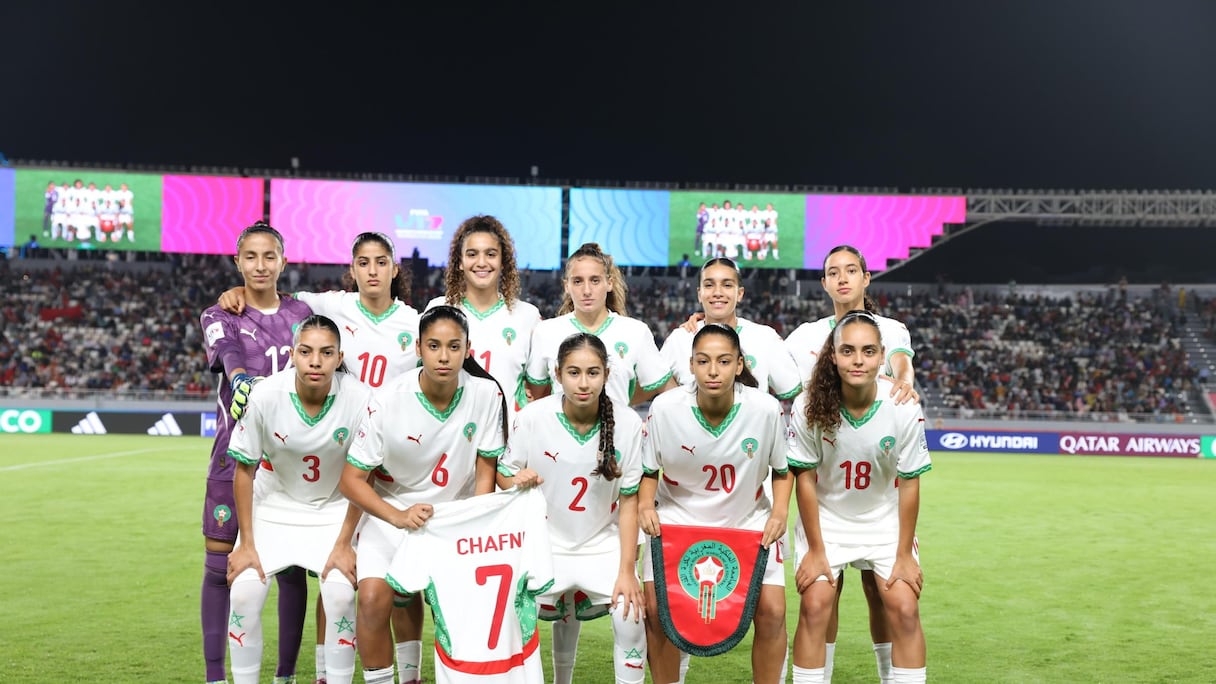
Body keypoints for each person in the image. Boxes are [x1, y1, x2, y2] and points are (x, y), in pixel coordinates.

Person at [339, 305, 507, 684]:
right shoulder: (388, 399)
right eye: (433, 346)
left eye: (453, 346)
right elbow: (351, 480)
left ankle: (420, 676)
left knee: (460, 611)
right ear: (418, 348)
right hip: (392, 516)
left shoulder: (486, 394)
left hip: (455, 519)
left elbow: (486, 472)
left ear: (468, 349)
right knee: (372, 600)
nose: (443, 356)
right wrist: (398, 517)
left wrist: (474, 526)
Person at [783, 244, 918, 682]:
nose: (842, 278)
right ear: (823, 282)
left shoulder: (890, 330)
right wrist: (707, 325)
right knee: (823, 595)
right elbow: (764, 369)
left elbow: (902, 366)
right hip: (827, 482)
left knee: (884, 595)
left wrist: (903, 385)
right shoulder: (804, 337)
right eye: (833, 272)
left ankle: (890, 675)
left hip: (876, 483)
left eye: (851, 270)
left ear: (866, 277)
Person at [638, 324, 792, 684]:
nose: (713, 371)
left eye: (723, 361)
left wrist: (781, 511)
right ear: (691, 365)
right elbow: (648, 471)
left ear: (739, 365)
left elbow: (783, 472)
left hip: (747, 521)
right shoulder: (665, 408)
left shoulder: (765, 410)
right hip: (677, 521)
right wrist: (645, 505)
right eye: (703, 361)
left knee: (773, 612)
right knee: (656, 611)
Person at [225, 315, 373, 684]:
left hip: (335, 510)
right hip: (273, 505)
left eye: (326, 353)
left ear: (339, 358)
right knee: (243, 594)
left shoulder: (360, 399)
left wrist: (345, 543)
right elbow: (244, 470)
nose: (315, 361)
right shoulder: (264, 395)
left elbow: (365, 474)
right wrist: (246, 543)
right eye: (306, 352)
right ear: (292, 355)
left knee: (340, 596)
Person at [199, 221, 313, 684]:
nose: (260, 265)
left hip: (290, 464)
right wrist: (241, 378)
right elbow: (227, 352)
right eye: (251, 256)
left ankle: (285, 675)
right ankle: (215, 677)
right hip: (233, 459)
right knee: (218, 567)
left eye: (270, 256)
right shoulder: (218, 314)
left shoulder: (302, 313)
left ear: (283, 261)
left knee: (291, 572)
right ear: (238, 262)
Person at [501, 332, 648, 684]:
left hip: (601, 544)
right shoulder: (532, 418)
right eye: (574, 372)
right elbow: (503, 476)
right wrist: (515, 479)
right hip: (543, 544)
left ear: (607, 374)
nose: (584, 383)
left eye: (593, 373)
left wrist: (627, 571)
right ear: (557, 374)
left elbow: (629, 503)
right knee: (512, 620)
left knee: (630, 615)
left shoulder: (628, 424)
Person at [527, 242, 675, 406]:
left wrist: (622, 405)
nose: (587, 290)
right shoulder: (546, 332)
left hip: (617, 423)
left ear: (609, 283)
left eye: (595, 280)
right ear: (566, 286)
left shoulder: (635, 332)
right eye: (578, 281)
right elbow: (534, 397)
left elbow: (669, 392)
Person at [426, 214, 542, 412]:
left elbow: (538, 389)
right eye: (472, 254)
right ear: (460, 261)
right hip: (452, 429)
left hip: (508, 429)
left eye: (491, 254)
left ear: (503, 261)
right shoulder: (439, 309)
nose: (481, 262)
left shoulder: (528, 316)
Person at [662, 256, 802, 401]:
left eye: (727, 285)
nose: (717, 292)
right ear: (699, 294)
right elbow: (657, 386)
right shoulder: (679, 339)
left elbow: (795, 393)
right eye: (709, 285)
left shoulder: (765, 338)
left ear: (740, 294)